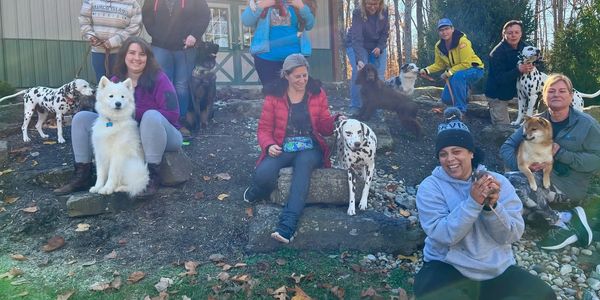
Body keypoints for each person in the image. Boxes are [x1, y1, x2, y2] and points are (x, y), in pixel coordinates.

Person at [414, 108, 555, 300]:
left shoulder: (499, 182)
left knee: (544, 295)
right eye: (443, 154)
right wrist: (473, 203)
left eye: (457, 151)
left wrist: (492, 207)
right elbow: (445, 236)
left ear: (471, 153)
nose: (450, 159)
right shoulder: (430, 187)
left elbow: (511, 235)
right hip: (448, 265)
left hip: (495, 268)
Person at [54, 37, 183, 197]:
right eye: (132, 53)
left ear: (148, 57)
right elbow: (106, 107)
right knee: (81, 119)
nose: (136, 58)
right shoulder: (115, 81)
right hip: (128, 132)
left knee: (151, 116)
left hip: (165, 135)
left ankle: (152, 177)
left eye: (142, 54)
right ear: (124, 56)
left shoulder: (159, 79)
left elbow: (173, 114)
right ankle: (83, 175)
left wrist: (134, 112)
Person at [243, 54, 341, 243]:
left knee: (302, 170)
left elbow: (323, 127)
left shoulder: (317, 92)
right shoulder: (274, 96)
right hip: (283, 145)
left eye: (305, 75)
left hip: (310, 146)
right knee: (263, 174)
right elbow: (263, 129)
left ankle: (287, 226)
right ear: (286, 75)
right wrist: (269, 145)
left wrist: (335, 120)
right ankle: (256, 191)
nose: (303, 80)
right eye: (297, 76)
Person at [500, 73, 600, 250]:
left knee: (512, 186)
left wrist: (561, 153)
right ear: (544, 96)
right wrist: (524, 166)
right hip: (533, 179)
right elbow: (506, 147)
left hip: (568, 186)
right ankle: (570, 219)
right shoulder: (533, 121)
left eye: (562, 91)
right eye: (551, 91)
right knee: (507, 195)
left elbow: (596, 161)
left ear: (571, 96)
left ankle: (560, 221)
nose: (556, 94)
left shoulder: (587, 124)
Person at [142, 0, 210, 137]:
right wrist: (157, 35)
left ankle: (180, 122)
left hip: (185, 47)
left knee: (181, 86)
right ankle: (163, 121)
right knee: (162, 84)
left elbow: (204, 15)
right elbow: (146, 16)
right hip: (160, 46)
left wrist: (194, 35)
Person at [241, 0, 315, 87]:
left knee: (296, 95)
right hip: (266, 59)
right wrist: (262, 5)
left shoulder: (297, 1)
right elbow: (246, 21)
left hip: (295, 59)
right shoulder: (260, 1)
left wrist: (301, 6)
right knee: (272, 96)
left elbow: (309, 25)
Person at [419, 18, 484, 114]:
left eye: (446, 29)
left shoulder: (462, 41)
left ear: (452, 29)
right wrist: (426, 70)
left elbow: (466, 63)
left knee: (459, 76)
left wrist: (448, 73)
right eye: (441, 30)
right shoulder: (438, 46)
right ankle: (465, 91)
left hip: (474, 69)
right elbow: (439, 64)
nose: (444, 32)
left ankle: (460, 110)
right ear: (438, 32)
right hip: (456, 72)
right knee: (446, 99)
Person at [79, 0, 143, 82]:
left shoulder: (133, 4)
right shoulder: (90, 1)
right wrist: (91, 36)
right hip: (98, 52)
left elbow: (135, 28)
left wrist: (113, 42)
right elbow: (84, 20)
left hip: (121, 53)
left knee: (120, 84)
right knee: (102, 85)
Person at [485, 20, 533, 125]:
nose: (513, 35)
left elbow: (538, 63)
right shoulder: (496, 53)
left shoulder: (526, 48)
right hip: (496, 94)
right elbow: (499, 78)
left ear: (521, 33)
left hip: (518, 92)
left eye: (516, 32)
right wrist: (519, 70)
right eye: (510, 33)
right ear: (504, 34)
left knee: (526, 125)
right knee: (503, 128)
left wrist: (533, 66)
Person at [345, 0, 389, 116]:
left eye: (376, 4)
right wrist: (359, 59)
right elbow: (357, 38)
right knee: (359, 72)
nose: (373, 7)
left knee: (379, 75)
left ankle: (375, 107)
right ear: (364, 3)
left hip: (376, 46)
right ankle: (355, 106)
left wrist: (380, 47)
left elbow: (385, 33)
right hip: (357, 44)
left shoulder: (384, 11)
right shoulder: (357, 13)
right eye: (369, 4)